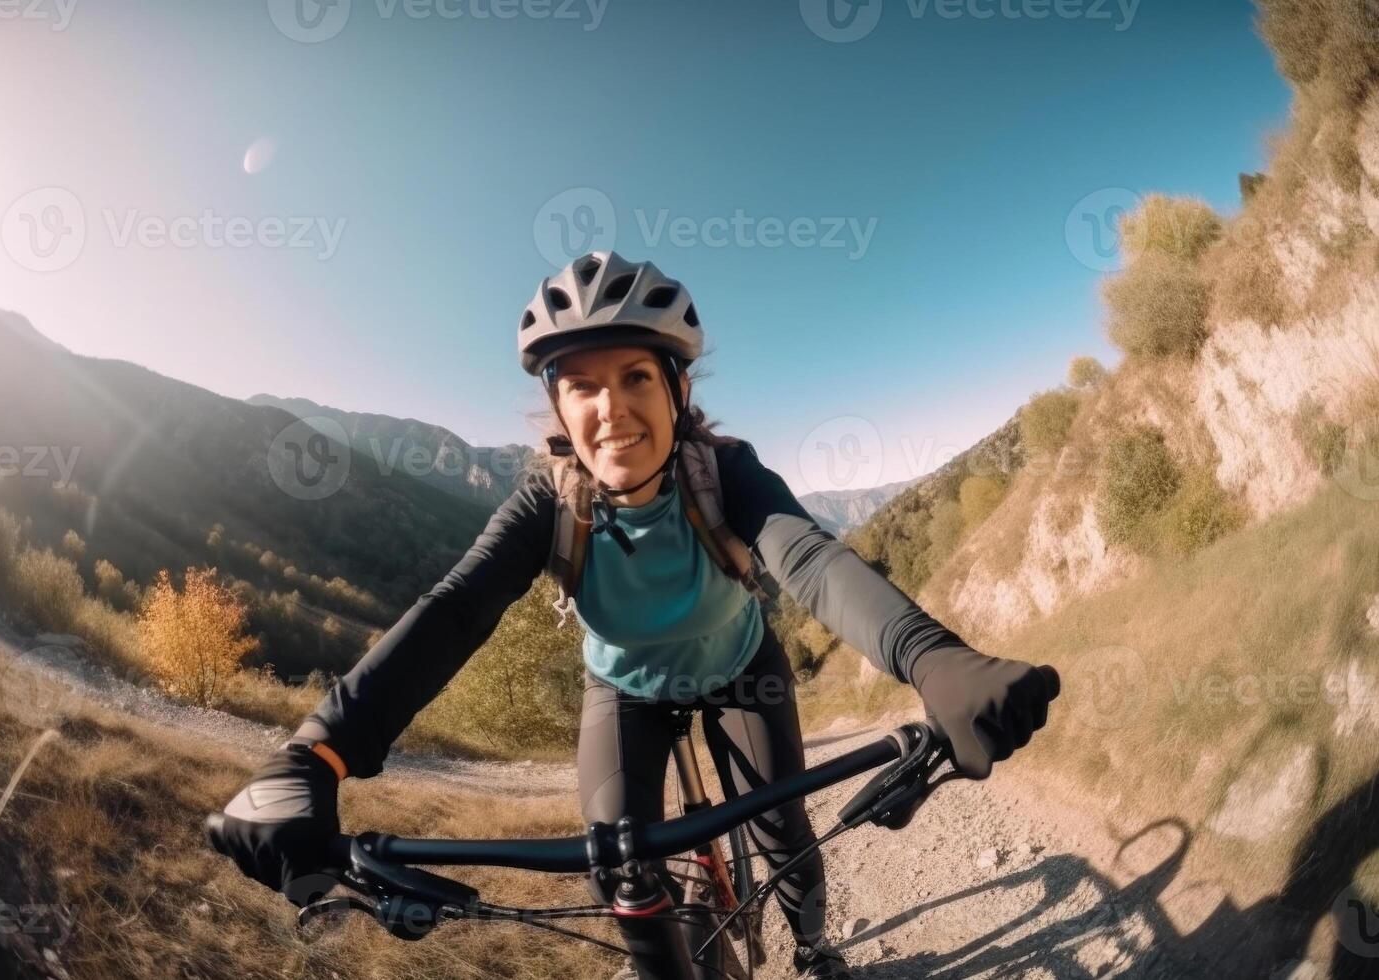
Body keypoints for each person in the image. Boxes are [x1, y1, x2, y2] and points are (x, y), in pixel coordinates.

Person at [210, 251, 1060, 979]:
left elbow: (810, 560)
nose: (609, 407)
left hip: (741, 670)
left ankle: (812, 946)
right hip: (625, 689)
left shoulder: (722, 472)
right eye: (580, 385)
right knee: (621, 872)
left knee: (781, 828)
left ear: (677, 387)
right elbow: (458, 607)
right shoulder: (549, 501)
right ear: (558, 405)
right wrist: (315, 752)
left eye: (634, 377)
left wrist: (935, 659)